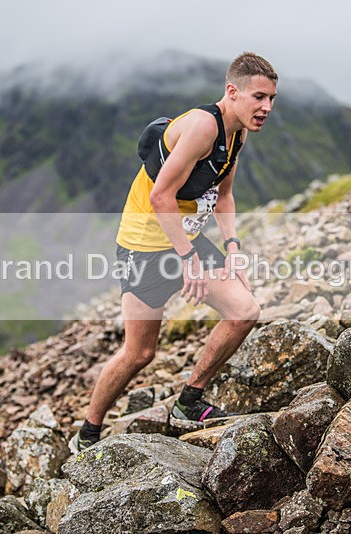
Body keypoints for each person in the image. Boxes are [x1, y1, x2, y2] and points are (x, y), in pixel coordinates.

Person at [72, 52, 278, 451]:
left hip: (184, 237)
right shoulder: (203, 127)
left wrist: (232, 247)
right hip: (144, 247)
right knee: (140, 353)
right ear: (232, 92)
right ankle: (88, 433)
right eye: (258, 97)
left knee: (244, 312)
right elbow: (160, 196)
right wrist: (190, 261)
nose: (266, 107)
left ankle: (189, 402)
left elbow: (224, 195)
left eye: (271, 98)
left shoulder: (238, 133)